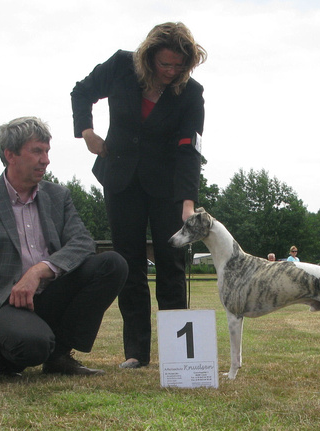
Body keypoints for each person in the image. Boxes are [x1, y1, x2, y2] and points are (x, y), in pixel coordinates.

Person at [71, 22, 207, 369]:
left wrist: (187, 202)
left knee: (171, 265)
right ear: (149, 57)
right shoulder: (120, 66)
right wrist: (86, 132)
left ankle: (179, 357)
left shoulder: (191, 92)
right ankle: (136, 353)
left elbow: (189, 149)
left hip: (167, 189)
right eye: (165, 65)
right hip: (120, 181)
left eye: (179, 66)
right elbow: (81, 91)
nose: (172, 72)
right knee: (128, 265)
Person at [0, 117, 128, 385]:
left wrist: (39, 270)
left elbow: (83, 243)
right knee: (33, 346)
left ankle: (58, 356)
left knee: (113, 264)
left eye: (47, 151)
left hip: (49, 293)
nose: (46, 160)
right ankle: (2, 354)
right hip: (3, 304)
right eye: (37, 151)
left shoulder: (58, 196)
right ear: (10, 154)